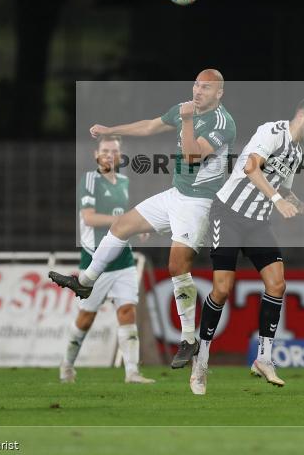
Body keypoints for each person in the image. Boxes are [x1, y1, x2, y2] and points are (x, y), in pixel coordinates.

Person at [50, 69, 236, 368]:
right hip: (176, 194)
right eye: (196, 85)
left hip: (199, 203)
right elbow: (151, 125)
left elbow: (191, 156)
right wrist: (114, 129)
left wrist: (187, 120)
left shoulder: (223, 122)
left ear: (219, 93)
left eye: (206, 87)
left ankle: (189, 338)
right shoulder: (183, 109)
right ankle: (85, 282)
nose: (198, 91)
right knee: (121, 225)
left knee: (176, 265)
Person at [189, 98, 304, 395]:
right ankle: (201, 360)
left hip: (257, 223)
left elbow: (285, 190)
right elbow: (253, 167)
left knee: (277, 284)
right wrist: (277, 202)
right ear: (301, 115)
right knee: (222, 288)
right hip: (228, 214)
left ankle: (264, 358)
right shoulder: (274, 132)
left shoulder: (297, 152)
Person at [59, 135, 155, 385]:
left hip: (123, 259)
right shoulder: (90, 180)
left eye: (114, 150)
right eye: (105, 150)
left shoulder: (124, 181)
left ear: (120, 156)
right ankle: (67, 365)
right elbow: (89, 218)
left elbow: (126, 217)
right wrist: (124, 223)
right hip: (95, 260)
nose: (109, 155)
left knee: (126, 311)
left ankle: (132, 372)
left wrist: (138, 227)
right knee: (86, 318)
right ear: (96, 155)